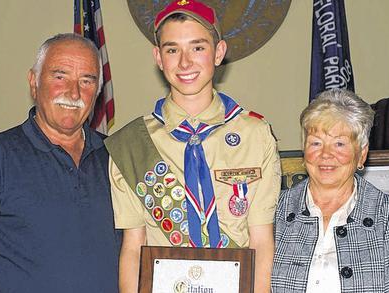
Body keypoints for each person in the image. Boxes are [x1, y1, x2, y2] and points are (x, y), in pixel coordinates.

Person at [105, 1, 281, 292]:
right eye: (172, 50)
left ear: (219, 52)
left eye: (198, 47)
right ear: (158, 57)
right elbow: (133, 247)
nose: (185, 63)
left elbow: (262, 241)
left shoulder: (255, 135)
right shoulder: (133, 144)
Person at [0, 33, 119, 293]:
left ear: (98, 91)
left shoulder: (117, 157)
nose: (73, 92)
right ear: (34, 82)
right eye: (60, 77)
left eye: (87, 81)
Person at [271, 88, 389, 292]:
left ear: (361, 154)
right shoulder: (273, 212)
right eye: (316, 143)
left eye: (339, 144)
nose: (325, 154)